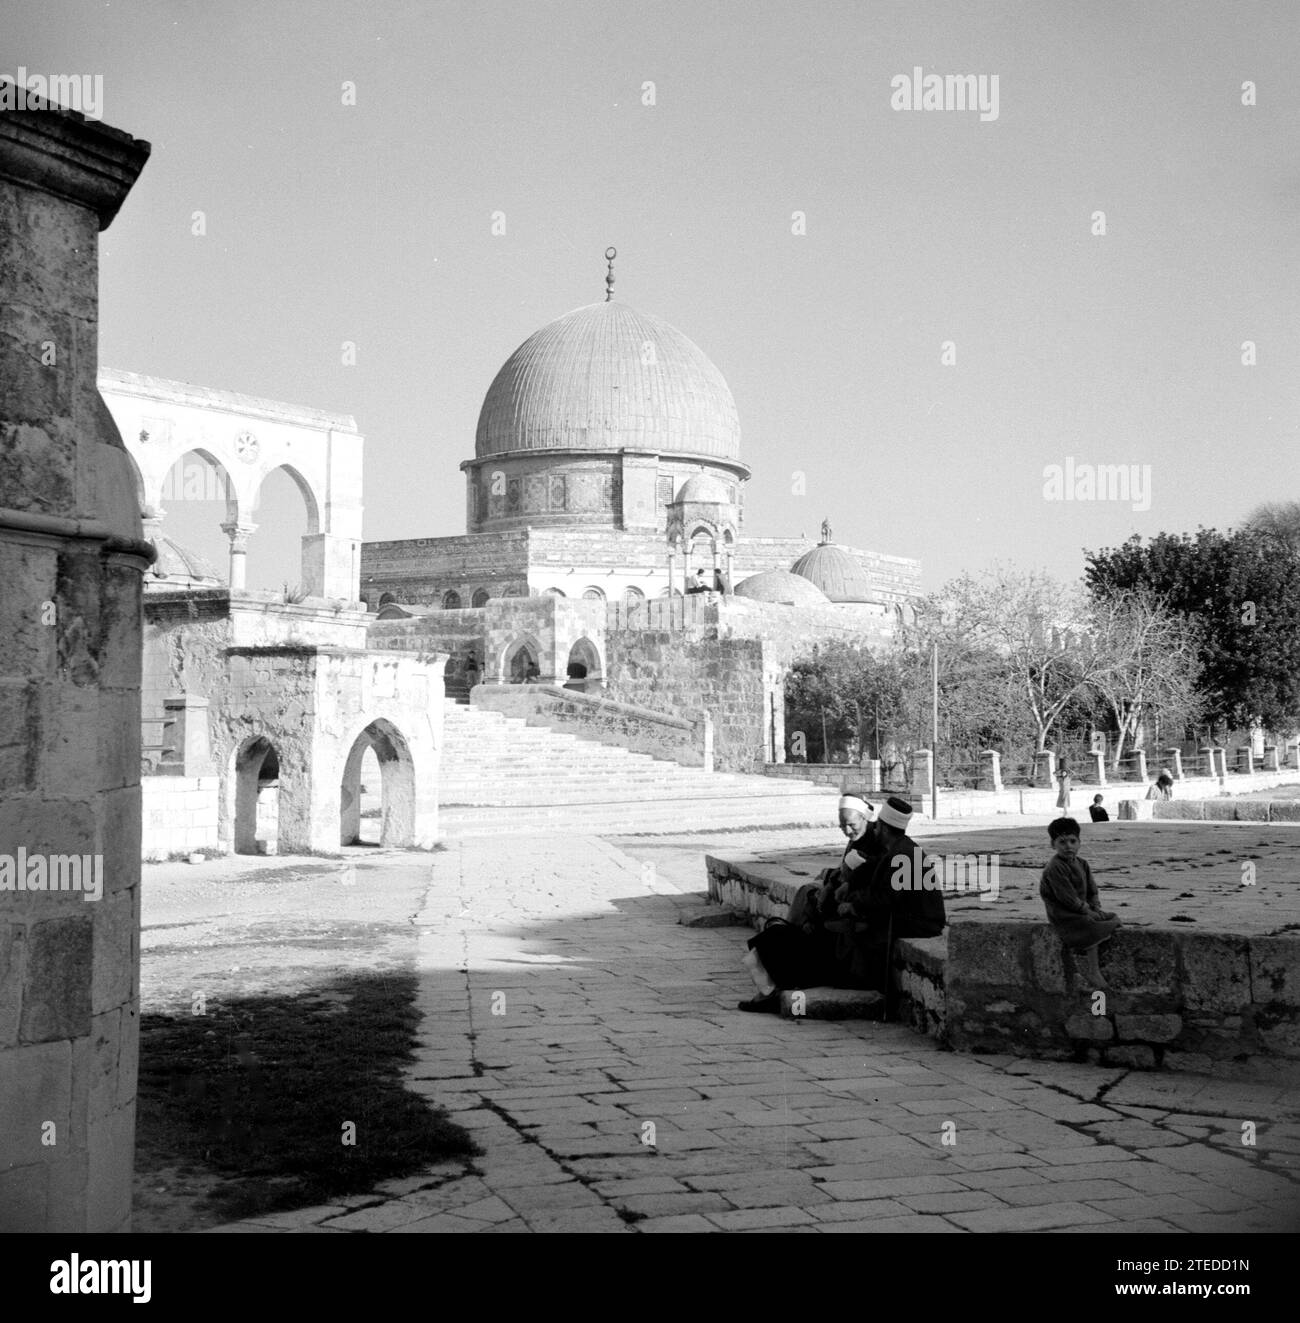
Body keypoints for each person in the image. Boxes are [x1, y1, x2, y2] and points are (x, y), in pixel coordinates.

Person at [737, 793, 877, 1012]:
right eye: (843, 826)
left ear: (864, 818)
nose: (848, 831)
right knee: (771, 937)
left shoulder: (872, 847)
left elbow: (855, 887)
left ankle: (769, 994)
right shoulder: (855, 841)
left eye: (851, 825)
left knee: (776, 940)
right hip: (828, 923)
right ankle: (768, 992)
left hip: (840, 937)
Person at [833, 796, 947, 990]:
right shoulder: (899, 848)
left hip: (921, 922)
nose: (874, 829)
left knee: (860, 928)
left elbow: (885, 899)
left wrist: (853, 905)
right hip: (914, 916)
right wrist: (850, 884)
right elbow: (875, 866)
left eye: (877, 826)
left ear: (884, 829)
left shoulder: (903, 854)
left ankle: (863, 982)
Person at [1039, 816, 1120, 990]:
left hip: (1082, 908)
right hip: (1064, 913)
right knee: (1090, 925)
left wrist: (1095, 906)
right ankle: (1093, 971)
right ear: (1053, 845)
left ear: (1079, 842)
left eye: (1072, 841)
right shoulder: (1055, 868)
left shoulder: (1082, 863)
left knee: (1112, 918)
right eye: (1062, 842)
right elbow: (1066, 897)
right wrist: (1088, 912)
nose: (1068, 846)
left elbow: (1092, 889)